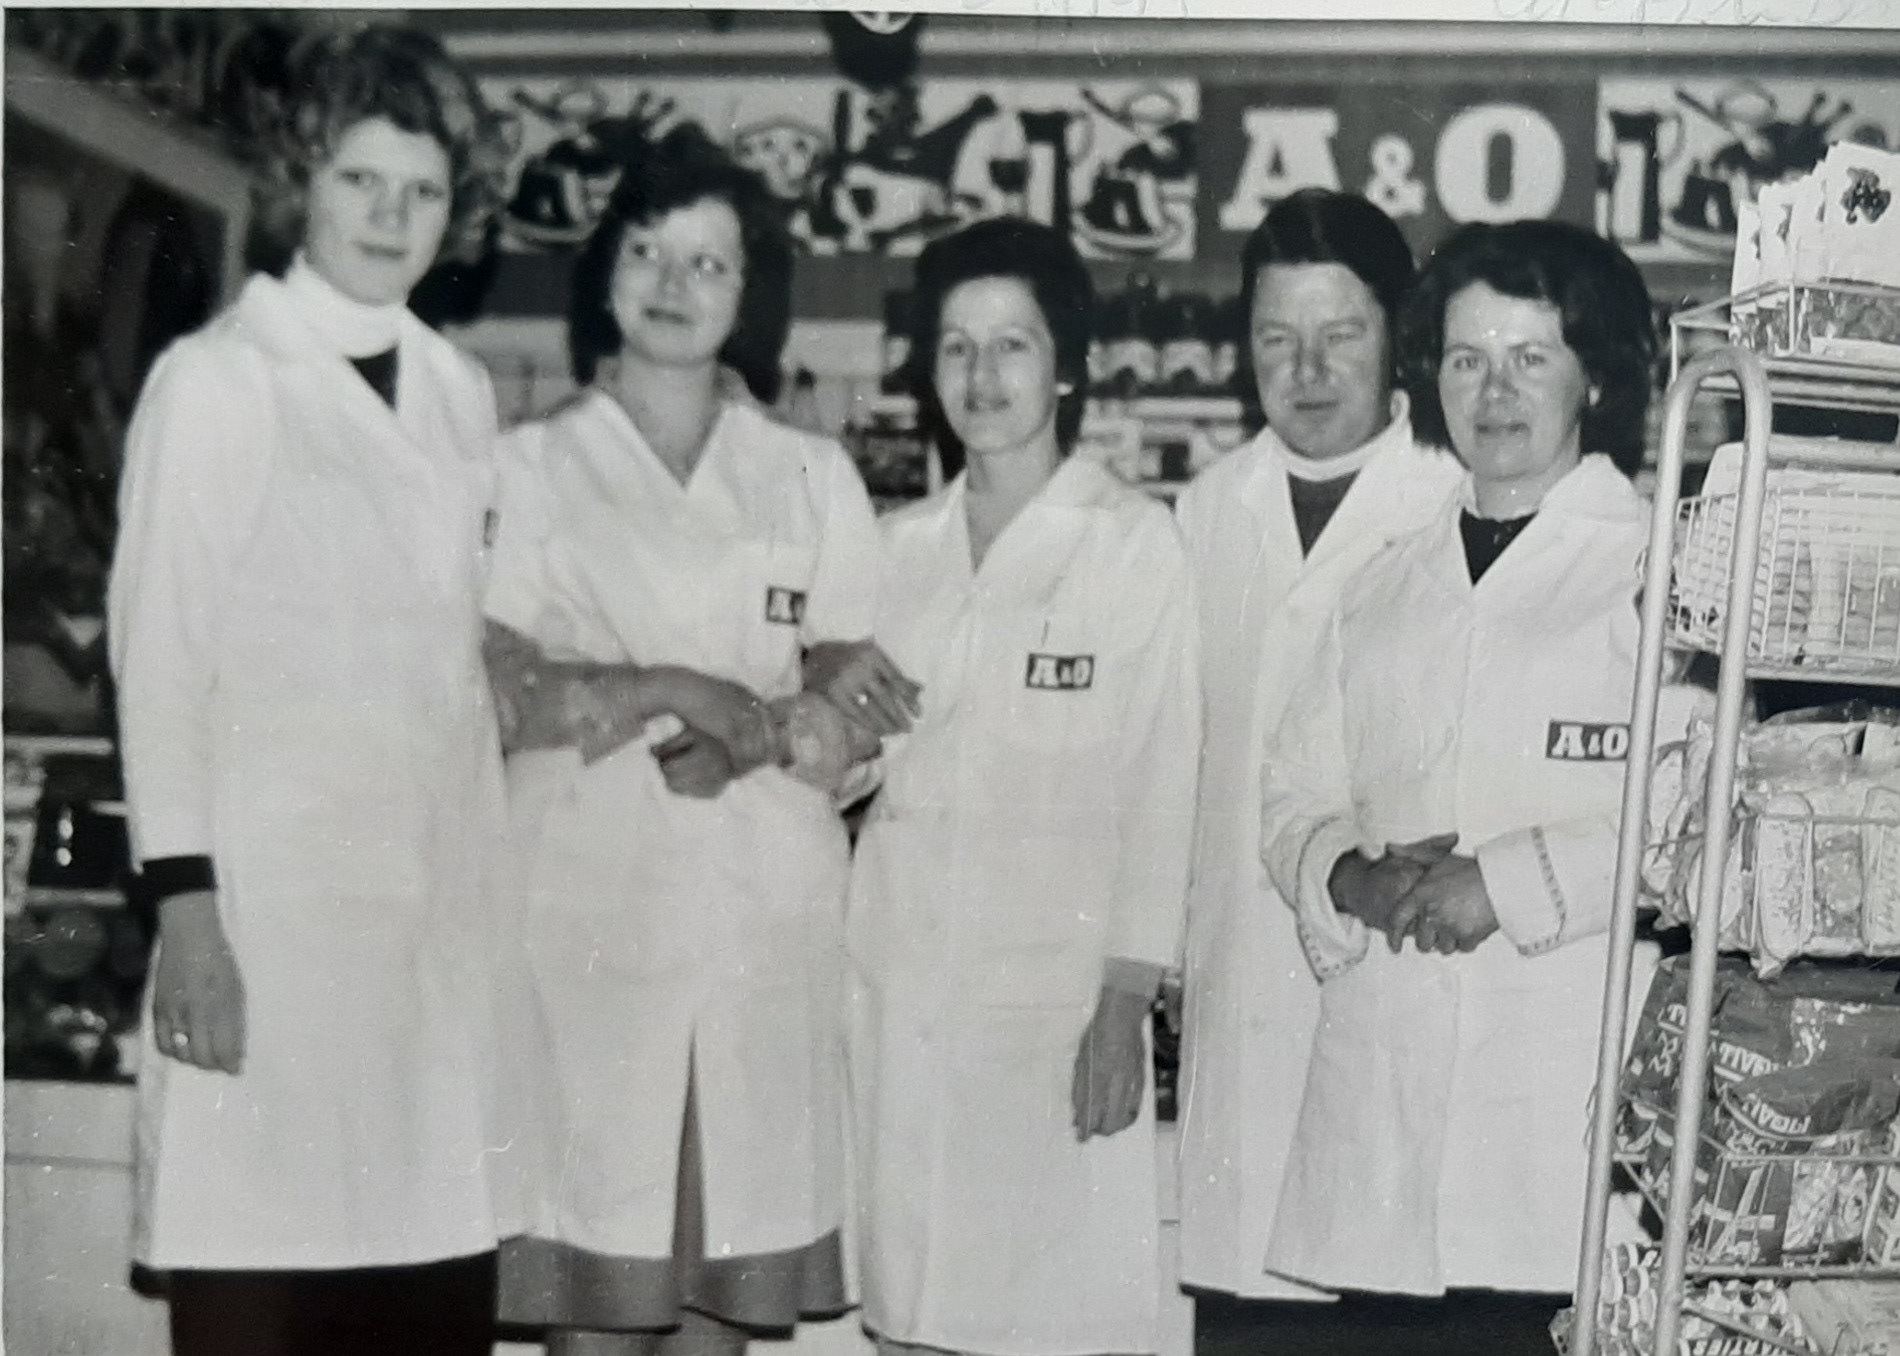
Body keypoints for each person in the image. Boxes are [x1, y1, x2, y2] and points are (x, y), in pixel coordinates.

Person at [106, 25, 518, 1356]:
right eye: (361, 181)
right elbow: (159, 663)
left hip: (425, 957)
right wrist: (189, 915)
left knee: (421, 1293)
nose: (392, 216)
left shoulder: (460, 395)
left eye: (424, 190)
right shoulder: (217, 381)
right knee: (261, 1292)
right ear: (302, 181)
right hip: (264, 938)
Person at [483, 126, 882, 1356]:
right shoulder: (527, 465)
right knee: (594, 1299)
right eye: (648, 251)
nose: (673, 282)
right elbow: (490, 695)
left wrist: (756, 735)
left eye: (709, 262)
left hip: (758, 932)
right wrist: (671, 685)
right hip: (584, 931)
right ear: (604, 270)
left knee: (720, 1305)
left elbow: (865, 715)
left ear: (748, 293)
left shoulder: (809, 475)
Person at [1257, 218, 1677, 1343]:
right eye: (1464, 358)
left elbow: (1702, 818)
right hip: (1381, 1137)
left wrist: (1504, 884)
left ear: (1595, 378)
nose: (1493, 392)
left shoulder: (1657, 572)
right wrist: (1348, 877)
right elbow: (1292, 796)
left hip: (1557, 1136)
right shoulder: (1380, 585)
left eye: (1530, 357)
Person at [811, 216, 1200, 1356]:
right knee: (908, 1314)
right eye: (957, 347)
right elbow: (848, 766)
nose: (982, 376)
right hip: (899, 996)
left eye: (1012, 345)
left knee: (1047, 1322)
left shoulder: (1132, 543)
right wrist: (817, 695)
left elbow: (1161, 780)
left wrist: (1125, 1000)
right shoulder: (892, 549)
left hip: (1057, 1015)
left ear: (1066, 363)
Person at [1172, 189, 1464, 1306]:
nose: (1307, 370)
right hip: (1237, 981)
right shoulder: (1207, 510)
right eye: (1275, 338)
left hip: (1394, 979)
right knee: (1247, 1308)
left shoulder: (1452, 496)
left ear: (1397, 335)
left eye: (1340, 334)